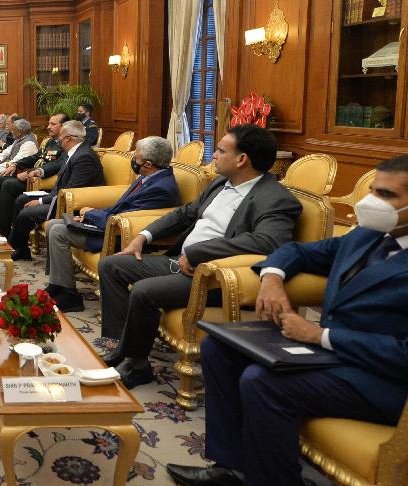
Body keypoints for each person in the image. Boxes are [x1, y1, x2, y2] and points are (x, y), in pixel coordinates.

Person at [169, 154, 408, 486]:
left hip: (397, 384)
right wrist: (272, 278)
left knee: (263, 382)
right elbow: (300, 252)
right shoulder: (368, 235)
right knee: (220, 350)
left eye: (385, 195)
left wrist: (320, 336)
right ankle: (232, 468)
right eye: (373, 190)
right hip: (336, 356)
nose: (369, 202)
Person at [98, 125, 302, 388]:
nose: (214, 156)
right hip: (179, 262)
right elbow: (185, 213)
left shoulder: (275, 198)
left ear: (242, 159)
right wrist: (143, 236)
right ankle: (121, 346)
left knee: (144, 291)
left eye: (220, 150)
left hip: (212, 277)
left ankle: (137, 365)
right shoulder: (219, 183)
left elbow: (268, 242)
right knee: (111, 265)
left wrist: (198, 253)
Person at [42, 136, 179, 312]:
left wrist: (91, 214)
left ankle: (69, 295)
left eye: (136, 157)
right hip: (109, 225)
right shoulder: (148, 176)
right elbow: (118, 207)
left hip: (119, 235)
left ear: (148, 164)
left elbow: (127, 219)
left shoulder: (161, 188)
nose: (133, 159)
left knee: (58, 231)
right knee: (54, 223)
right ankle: (57, 285)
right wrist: (90, 216)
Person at [6, 120, 104, 261]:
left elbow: (71, 191)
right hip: (58, 196)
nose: (58, 140)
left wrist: (40, 201)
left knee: (26, 213)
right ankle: (20, 249)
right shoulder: (74, 152)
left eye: (60, 137)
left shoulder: (84, 157)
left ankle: (16, 248)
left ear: (68, 138)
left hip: (70, 205)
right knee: (22, 199)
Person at [0, 114, 67, 237]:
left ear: (64, 126)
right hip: (32, 175)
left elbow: (57, 165)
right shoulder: (50, 142)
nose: (48, 127)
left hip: (42, 181)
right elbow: (35, 157)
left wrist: (33, 172)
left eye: (53, 124)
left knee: (9, 184)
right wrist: (16, 164)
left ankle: (2, 230)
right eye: (49, 123)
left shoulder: (65, 144)